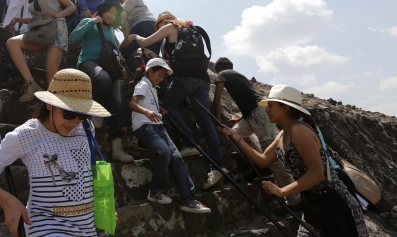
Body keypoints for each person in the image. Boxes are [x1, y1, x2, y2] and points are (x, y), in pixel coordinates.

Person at [0, 68, 111, 237]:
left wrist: (100, 206)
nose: (75, 121)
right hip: (47, 228)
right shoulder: (25, 135)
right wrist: (7, 201)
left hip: (87, 230)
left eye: (82, 114)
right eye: (69, 113)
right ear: (50, 104)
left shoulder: (86, 127)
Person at [222, 85, 368, 237]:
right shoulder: (283, 135)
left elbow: (317, 174)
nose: (267, 110)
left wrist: (282, 191)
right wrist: (236, 137)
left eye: (271, 106)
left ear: (285, 108)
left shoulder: (300, 131)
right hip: (314, 204)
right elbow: (263, 160)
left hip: (333, 203)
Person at [129, 17, 227, 190]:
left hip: (184, 79)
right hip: (202, 79)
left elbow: (145, 41)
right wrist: (156, 58)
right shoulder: (191, 31)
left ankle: (190, 142)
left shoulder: (170, 28)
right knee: (205, 121)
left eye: (158, 25)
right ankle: (218, 166)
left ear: (164, 21)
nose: (158, 28)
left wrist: (134, 37)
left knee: (166, 107)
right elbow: (172, 63)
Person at [213, 57, 302, 209]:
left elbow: (216, 99)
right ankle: (261, 166)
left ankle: (295, 201)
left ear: (220, 68)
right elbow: (250, 98)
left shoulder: (223, 74)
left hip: (259, 114)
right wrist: (241, 117)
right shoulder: (240, 76)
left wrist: (218, 122)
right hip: (252, 114)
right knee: (233, 136)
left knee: (275, 159)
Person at [129, 58, 211, 213]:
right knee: (164, 152)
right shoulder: (143, 84)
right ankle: (155, 191)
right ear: (150, 71)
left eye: (163, 77)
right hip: (145, 126)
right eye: (159, 75)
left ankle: (188, 199)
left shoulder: (152, 87)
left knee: (176, 157)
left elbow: (149, 103)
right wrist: (147, 112)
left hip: (158, 127)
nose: (160, 79)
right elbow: (132, 104)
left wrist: (158, 108)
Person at [69, 0, 133, 163]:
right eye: (110, 11)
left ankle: (117, 148)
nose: (111, 16)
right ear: (103, 9)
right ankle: (95, 109)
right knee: (102, 78)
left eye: (114, 14)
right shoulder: (89, 22)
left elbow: (114, 48)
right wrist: (92, 22)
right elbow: (73, 38)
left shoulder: (111, 31)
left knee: (118, 103)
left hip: (110, 66)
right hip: (89, 62)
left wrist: (121, 59)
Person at [6, 0, 75, 102]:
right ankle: (31, 85)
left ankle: (59, 106)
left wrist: (57, 14)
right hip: (40, 33)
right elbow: (37, 19)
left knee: (50, 72)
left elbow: (72, 6)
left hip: (56, 31)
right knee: (12, 42)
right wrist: (17, 19)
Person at [117, 0, 159, 74]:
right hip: (153, 27)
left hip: (142, 25)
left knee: (124, 49)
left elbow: (122, 14)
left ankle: (138, 75)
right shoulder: (137, 2)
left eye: (120, 0)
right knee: (151, 62)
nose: (121, 3)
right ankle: (156, 85)